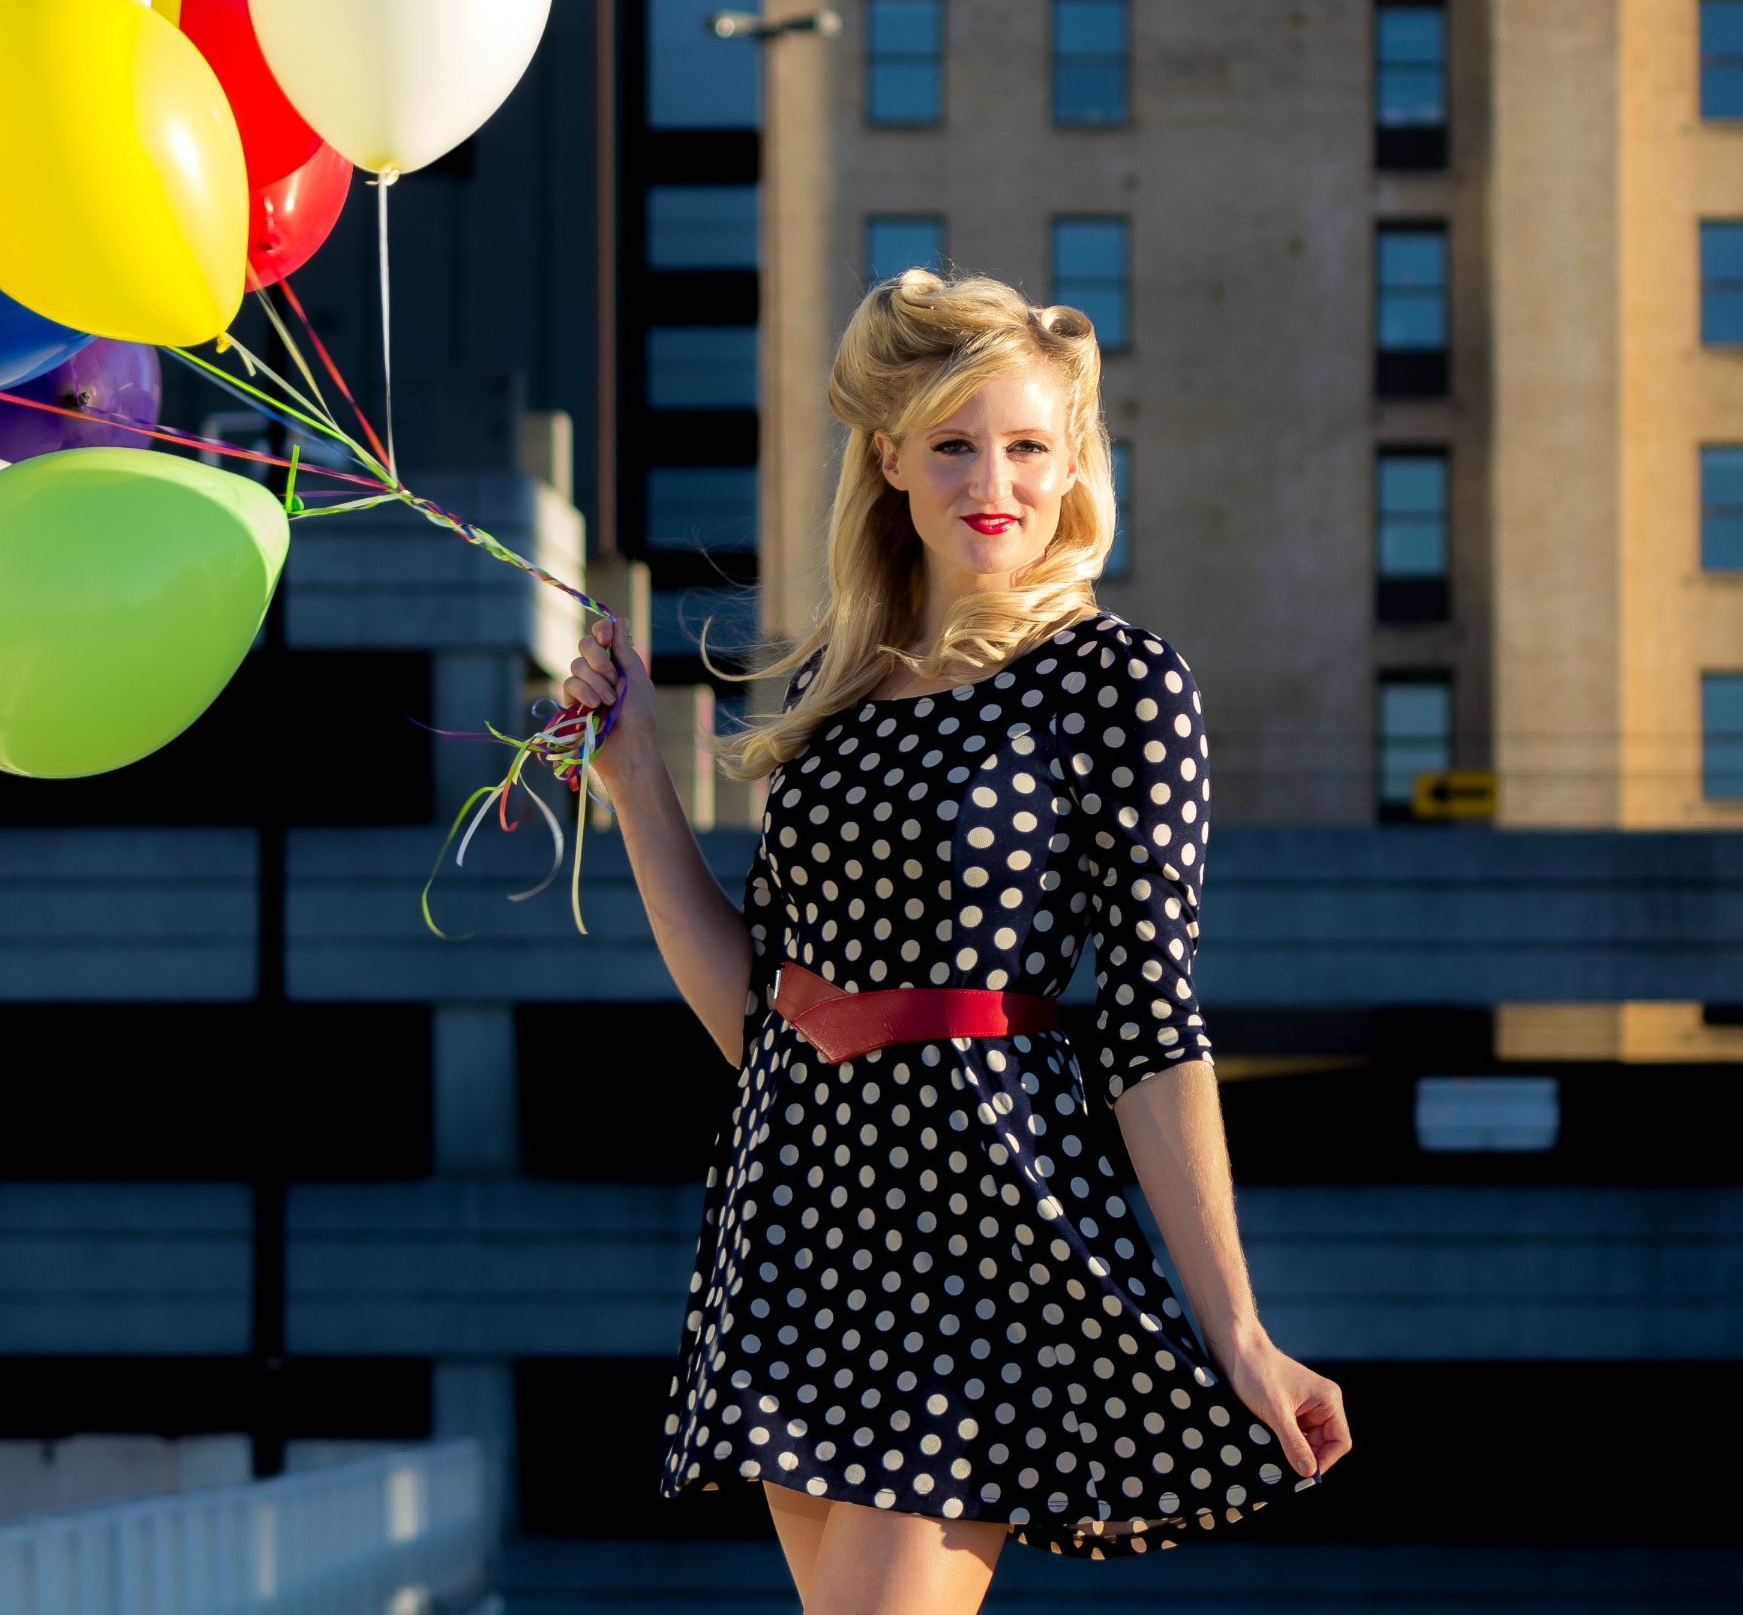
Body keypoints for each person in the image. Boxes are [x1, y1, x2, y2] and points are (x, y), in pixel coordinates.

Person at [560, 268, 1351, 1612]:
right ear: (889, 456)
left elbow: (1154, 1030)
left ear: (1073, 462)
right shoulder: (835, 689)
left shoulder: (1117, 684)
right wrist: (637, 780)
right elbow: (763, 1021)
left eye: (1033, 444)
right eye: (956, 442)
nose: (999, 479)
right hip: (797, 1220)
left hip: (973, 1226)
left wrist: (1240, 1327)